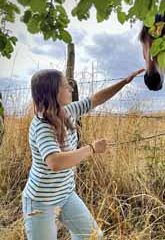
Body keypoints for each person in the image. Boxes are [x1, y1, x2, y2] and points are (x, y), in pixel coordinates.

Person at [22, 68, 145, 240]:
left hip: (65, 194)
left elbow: (96, 99)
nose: (71, 89)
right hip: (41, 202)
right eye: (66, 86)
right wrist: (92, 148)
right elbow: (55, 162)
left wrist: (124, 81)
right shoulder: (43, 125)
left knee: (93, 237)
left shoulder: (68, 111)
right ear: (53, 92)